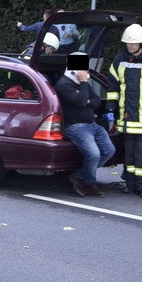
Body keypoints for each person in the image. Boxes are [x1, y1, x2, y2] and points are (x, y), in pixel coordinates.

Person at [106, 24, 142, 198]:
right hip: (125, 116)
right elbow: (113, 86)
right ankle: (130, 184)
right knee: (128, 153)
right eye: (127, 43)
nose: (130, 46)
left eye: (133, 43)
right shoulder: (119, 60)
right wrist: (110, 109)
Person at [55, 53, 115, 198]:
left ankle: (80, 175)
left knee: (109, 151)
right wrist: (83, 85)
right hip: (75, 127)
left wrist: (85, 95)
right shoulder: (64, 85)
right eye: (85, 69)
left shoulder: (83, 84)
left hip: (92, 124)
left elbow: (96, 101)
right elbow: (81, 102)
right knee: (94, 154)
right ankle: (88, 183)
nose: (87, 72)